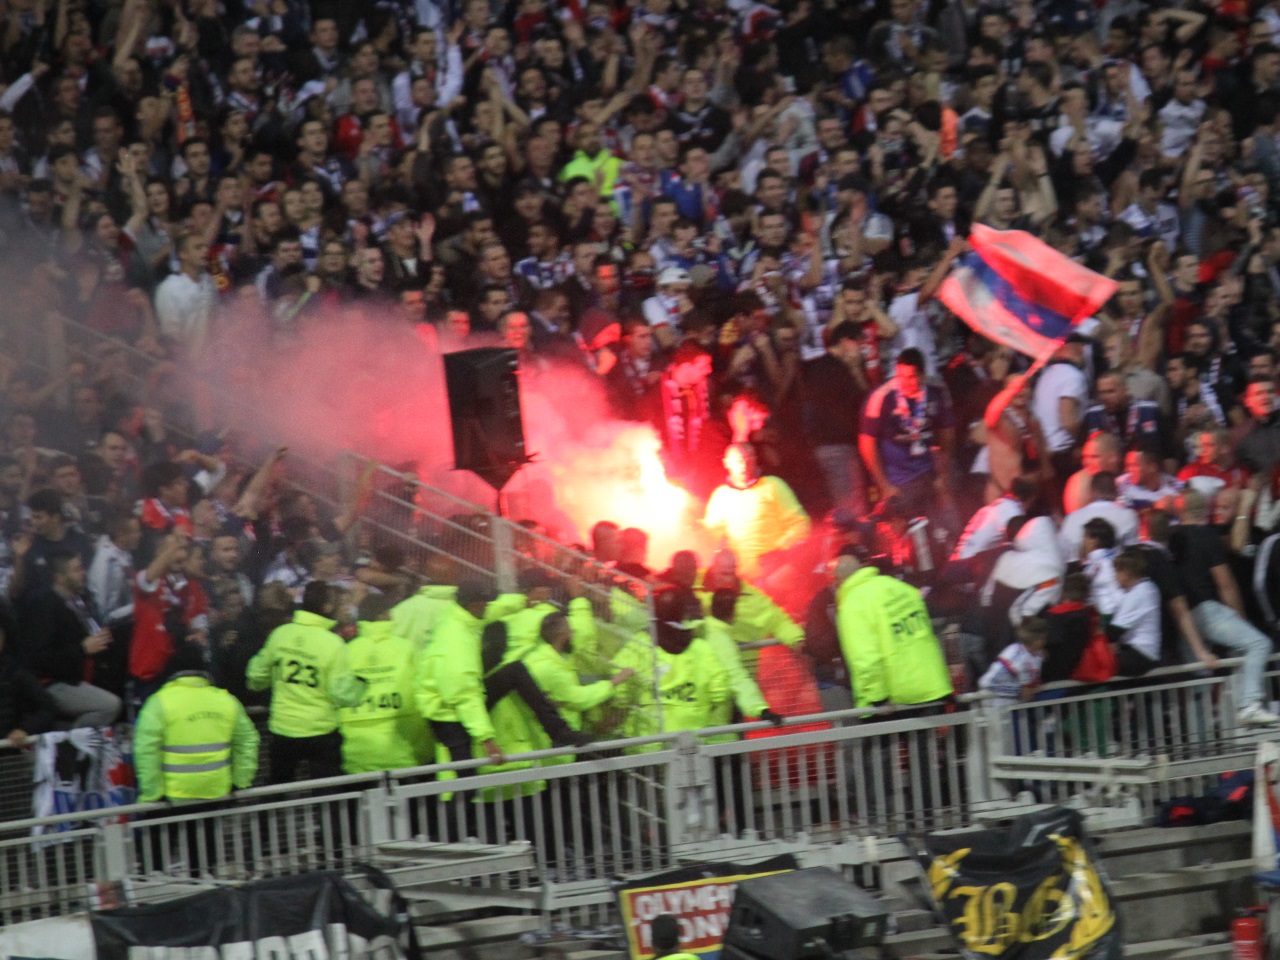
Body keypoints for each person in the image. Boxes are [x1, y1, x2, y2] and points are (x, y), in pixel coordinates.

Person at [415, 581, 593, 770]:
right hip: (446, 713)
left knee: (515, 671)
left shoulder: (459, 614)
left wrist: (524, 601)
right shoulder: (457, 640)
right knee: (465, 777)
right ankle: (458, 787)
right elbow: (463, 694)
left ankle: (559, 732)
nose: (489, 607)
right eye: (486, 603)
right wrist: (487, 739)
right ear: (475, 605)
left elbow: (496, 609)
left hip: (451, 699)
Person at [1171, 490, 1279, 725]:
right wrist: (1242, 620)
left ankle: (1200, 741)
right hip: (1207, 610)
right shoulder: (1206, 535)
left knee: (1199, 679)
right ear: (1204, 511)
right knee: (1258, 644)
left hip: (1182, 618)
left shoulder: (1172, 539)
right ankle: (1249, 704)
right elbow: (1225, 584)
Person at [245, 581, 367, 782]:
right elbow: (341, 693)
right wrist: (361, 688)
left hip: (282, 728)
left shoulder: (280, 634)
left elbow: (256, 676)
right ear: (326, 607)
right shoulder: (332, 643)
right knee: (328, 793)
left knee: (278, 788)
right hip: (321, 731)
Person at [133, 643, 259, 802]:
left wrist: (152, 794)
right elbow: (247, 740)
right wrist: (240, 782)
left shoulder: (158, 703)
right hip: (218, 792)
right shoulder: (227, 700)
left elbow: (146, 751)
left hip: (173, 797)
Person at [835, 546, 953, 710]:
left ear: (839, 580)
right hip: (933, 687)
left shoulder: (853, 604)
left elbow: (865, 657)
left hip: (896, 699)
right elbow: (925, 632)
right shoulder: (899, 587)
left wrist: (878, 699)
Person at [17, 551, 121, 729]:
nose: (83, 573)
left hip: (80, 675)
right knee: (110, 706)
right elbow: (39, 658)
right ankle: (72, 741)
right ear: (60, 578)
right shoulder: (45, 605)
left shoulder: (80, 600)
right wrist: (82, 649)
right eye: (76, 570)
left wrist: (100, 638)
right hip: (53, 683)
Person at [859, 347, 956, 522]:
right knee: (903, 530)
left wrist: (943, 477)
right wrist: (884, 486)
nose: (905, 382)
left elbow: (947, 436)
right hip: (898, 481)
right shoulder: (881, 396)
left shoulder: (936, 391)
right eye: (900, 376)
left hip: (929, 473)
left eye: (911, 377)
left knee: (948, 523)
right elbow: (866, 443)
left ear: (922, 375)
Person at [339, 593, 432, 774]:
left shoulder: (346, 651)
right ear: (383, 615)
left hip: (355, 757)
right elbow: (425, 689)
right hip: (404, 753)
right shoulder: (406, 648)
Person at [702, 443, 811, 583]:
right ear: (727, 463)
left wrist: (780, 550)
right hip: (739, 580)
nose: (744, 465)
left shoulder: (773, 485)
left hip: (774, 577)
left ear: (755, 459)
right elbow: (710, 537)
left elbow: (801, 523)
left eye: (749, 459)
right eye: (739, 461)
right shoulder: (721, 496)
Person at [1107, 548, 1164, 677]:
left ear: (1127, 572)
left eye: (1117, 571)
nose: (1115, 577)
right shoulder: (1149, 587)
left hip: (1139, 654)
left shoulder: (1139, 593)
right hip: (1144, 652)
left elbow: (1114, 631)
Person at [979, 616, 1047, 708]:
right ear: (1037, 639)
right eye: (1043, 638)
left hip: (1019, 708)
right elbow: (987, 682)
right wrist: (1018, 691)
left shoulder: (1038, 655)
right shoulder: (1013, 655)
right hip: (999, 708)